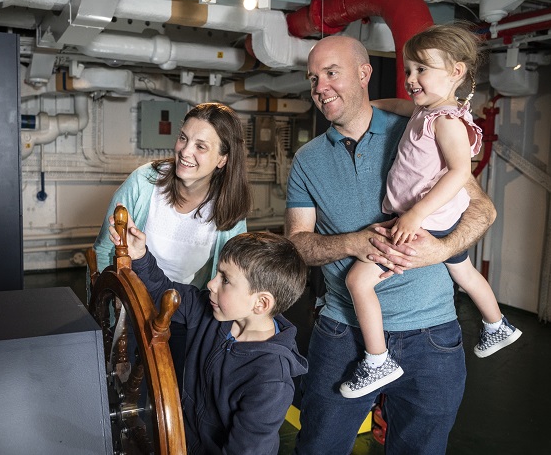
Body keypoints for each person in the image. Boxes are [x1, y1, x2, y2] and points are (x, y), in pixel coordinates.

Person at [286, 34, 496, 454]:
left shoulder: (422, 129)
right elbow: (297, 246)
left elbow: (482, 209)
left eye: (331, 73)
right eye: (313, 78)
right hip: (343, 333)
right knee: (319, 447)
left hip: (432, 335)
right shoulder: (307, 160)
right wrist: (351, 242)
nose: (320, 87)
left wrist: (442, 249)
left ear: (365, 74)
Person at [341, 24, 521, 399]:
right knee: (465, 273)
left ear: (455, 72)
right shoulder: (430, 111)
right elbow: (400, 106)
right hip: (442, 220)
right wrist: (366, 107)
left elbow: (460, 172)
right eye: (408, 70)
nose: (411, 79)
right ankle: (497, 323)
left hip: (426, 222)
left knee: (358, 281)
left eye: (422, 69)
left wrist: (415, 216)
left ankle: (378, 361)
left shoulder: (448, 122)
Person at [108, 214, 308, 454]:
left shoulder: (271, 379)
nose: (211, 284)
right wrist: (139, 255)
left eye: (225, 279)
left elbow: (244, 450)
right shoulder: (207, 310)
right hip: (183, 439)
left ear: (261, 303)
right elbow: (161, 289)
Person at [91, 102, 252, 392]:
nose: (185, 151)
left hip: (185, 310)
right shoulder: (143, 183)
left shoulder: (228, 208)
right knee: (116, 386)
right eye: (183, 138)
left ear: (222, 160)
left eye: (201, 146)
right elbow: (104, 251)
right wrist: (111, 321)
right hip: (130, 304)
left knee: (178, 391)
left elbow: (234, 279)